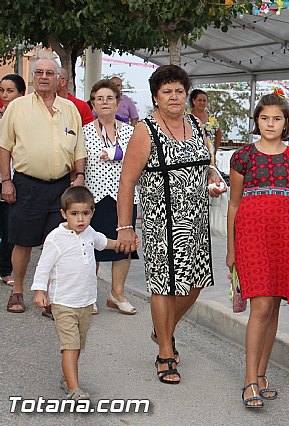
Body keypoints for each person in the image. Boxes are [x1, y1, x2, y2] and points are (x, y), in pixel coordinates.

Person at [116, 65, 222, 384]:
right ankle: (165, 352)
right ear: (155, 97)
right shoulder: (145, 131)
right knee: (165, 285)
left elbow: (206, 166)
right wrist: (125, 226)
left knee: (197, 283)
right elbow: (127, 181)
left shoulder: (194, 123)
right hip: (163, 221)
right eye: (167, 91)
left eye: (178, 90)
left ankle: (162, 328)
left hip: (197, 219)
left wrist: (214, 178)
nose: (174, 96)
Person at [226, 91, 289, 408]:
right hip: (251, 237)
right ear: (257, 121)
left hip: (286, 239)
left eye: (276, 118)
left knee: (274, 306)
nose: (270, 123)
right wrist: (230, 249)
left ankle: (262, 375)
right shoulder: (243, 158)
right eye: (264, 118)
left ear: (285, 122)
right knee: (261, 306)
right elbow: (233, 205)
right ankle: (250, 380)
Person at [31, 186, 137, 400]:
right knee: (70, 345)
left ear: (92, 212)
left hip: (86, 302)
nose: (80, 219)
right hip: (63, 302)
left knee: (78, 344)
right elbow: (43, 267)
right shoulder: (56, 238)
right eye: (74, 214)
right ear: (64, 214)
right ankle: (74, 389)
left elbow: (104, 242)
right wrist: (40, 291)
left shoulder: (89, 233)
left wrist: (124, 245)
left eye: (85, 214)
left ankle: (67, 378)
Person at [0, 58, 86, 314]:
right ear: (33, 77)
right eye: (39, 72)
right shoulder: (17, 107)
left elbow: (78, 146)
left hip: (61, 186)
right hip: (26, 184)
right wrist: (6, 180)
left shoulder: (70, 109)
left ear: (59, 79)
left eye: (50, 73)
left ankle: (50, 297)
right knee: (22, 241)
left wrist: (79, 175)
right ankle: (17, 292)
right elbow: (4, 146)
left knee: (57, 243)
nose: (44, 77)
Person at [84, 79, 139, 315]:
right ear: (93, 103)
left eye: (110, 98)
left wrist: (116, 153)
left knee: (123, 247)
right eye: (99, 98)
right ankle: (88, 295)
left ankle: (117, 294)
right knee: (90, 247)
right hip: (93, 196)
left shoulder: (131, 131)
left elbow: (139, 157)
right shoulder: (84, 130)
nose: (105, 102)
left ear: (118, 103)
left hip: (124, 196)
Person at [0, 74, 26, 287]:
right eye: (2, 91)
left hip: (14, 179)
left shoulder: (25, 118)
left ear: (21, 94)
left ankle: (6, 269)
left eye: (10, 91)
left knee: (10, 227)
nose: (5, 95)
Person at [188, 89, 223, 162]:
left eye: (204, 100)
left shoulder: (211, 118)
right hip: (191, 157)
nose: (202, 103)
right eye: (199, 100)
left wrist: (214, 151)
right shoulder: (186, 117)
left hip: (209, 157)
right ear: (193, 101)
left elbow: (219, 134)